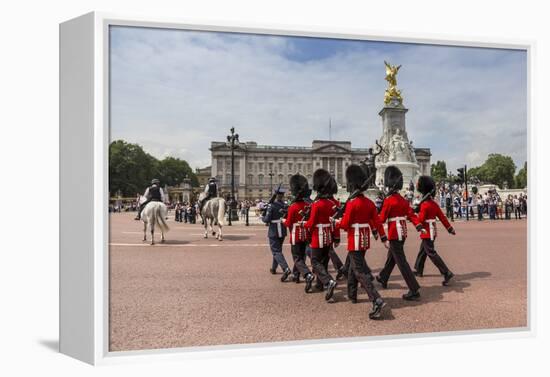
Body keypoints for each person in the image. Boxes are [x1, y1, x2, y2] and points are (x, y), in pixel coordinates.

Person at [335, 164, 387, 319]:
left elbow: (345, 224)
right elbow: (377, 222)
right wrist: (383, 237)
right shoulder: (369, 203)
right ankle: (352, 294)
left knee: (359, 271)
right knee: (352, 266)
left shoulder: (352, 203)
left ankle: (375, 298)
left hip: (355, 239)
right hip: (364, 240)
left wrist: (335, 222)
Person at [376, 166, 425, 301]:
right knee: (393, 257)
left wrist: (372, 219)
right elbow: (411, 215)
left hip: (393, 233)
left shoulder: (388, 200)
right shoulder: (403, 200)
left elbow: (381, 219)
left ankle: (414, 288)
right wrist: (419, 226)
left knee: (401, 261)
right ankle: (383, 277)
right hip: (402, 232)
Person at [413, 176, 456, 286]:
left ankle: (446, 272)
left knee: (431, 253)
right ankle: (418, 269)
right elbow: (442, 218)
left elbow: (421, 220)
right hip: (433, 231)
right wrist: (449, 228)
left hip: (427, 232)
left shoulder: (425, 205)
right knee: (423, 250)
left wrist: (414, 214)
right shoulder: (433, 204)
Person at [304, 169, 338, 301]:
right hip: (328, 235)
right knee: (323, 261)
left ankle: (329, 281)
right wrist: (336, 237)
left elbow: (311, 223)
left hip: (317, 236)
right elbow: (333, 222)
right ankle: (319, 284)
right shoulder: (332, 204)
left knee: (315, 261)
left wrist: (303, 225)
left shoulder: (317, 205)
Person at [283, 174, 315, 291]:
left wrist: (283, 220)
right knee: (302, 256)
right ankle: (296, 275)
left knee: (297, 257)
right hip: (305, 233)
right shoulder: (308, 204)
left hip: (296, 233)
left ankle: (307, 274)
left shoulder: (293, 206)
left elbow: (288, 223)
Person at [262, 187, 292, 282]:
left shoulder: (272, 205)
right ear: (282, 195)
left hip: (274, 230)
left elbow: (267, 219)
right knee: (278, 250)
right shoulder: (285, 205)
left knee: (276, 251)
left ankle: (285, 268)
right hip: (282, 230)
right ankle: (274, 268)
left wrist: (262, 217)